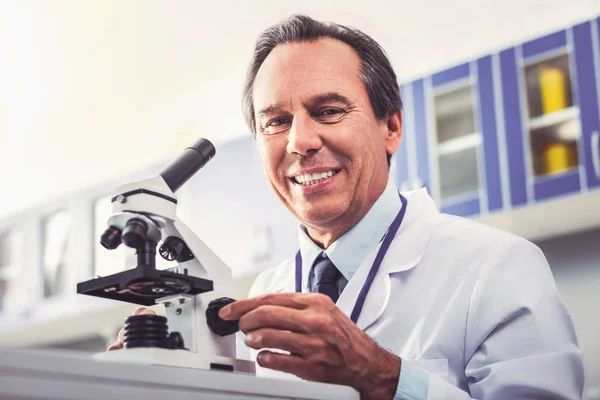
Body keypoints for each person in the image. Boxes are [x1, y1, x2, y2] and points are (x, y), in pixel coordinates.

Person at [109, 14, 584, 399]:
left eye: (329, 111)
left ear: (390, 126)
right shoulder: (263, 292)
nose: (300, 141)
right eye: (276, 121)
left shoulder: (498, 268)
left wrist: (384, 378)